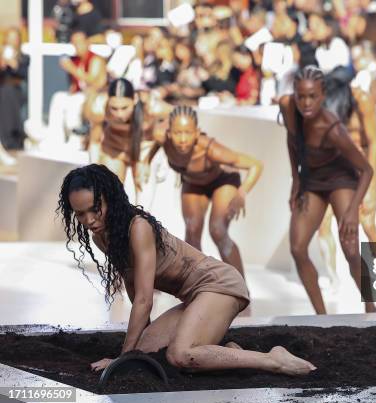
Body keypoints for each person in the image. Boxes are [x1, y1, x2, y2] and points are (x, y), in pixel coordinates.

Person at [57, 164, 315, 375]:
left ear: (110, 198)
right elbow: (134, 289)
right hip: (195, 298)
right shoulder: (102, 238)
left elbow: (146, 300)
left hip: (219, 284)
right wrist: (136, 350)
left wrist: (120, 360)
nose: (90, 220)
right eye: (80, 214)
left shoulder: (138, 228)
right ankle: (229, 350)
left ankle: (272, 359)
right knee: (147, 353)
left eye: (95, 208)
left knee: (180, 355)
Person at [279, 65, 375, 314]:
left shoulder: (332, 128)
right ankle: (321, 316)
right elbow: (292, 139)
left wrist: (353, 210)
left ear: (323, 96)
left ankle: (371, 306)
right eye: (301, 96)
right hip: (312, 179)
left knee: (351, 249)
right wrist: (295, 179)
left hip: (341, 178)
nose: (306, 103)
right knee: (298, 248)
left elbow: (366, 170)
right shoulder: (287, 105)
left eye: (313, 96)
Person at [149, 105, 263, 278]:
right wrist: (144, 162)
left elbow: (255, 164)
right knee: (192, 229)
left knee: (218, 230)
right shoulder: (160, 136)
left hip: (223, 180)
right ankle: (199, 286)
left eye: (188, 132)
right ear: (169, 133)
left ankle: (241, 291)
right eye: (177, 133)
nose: (182, 139)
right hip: (193, 183)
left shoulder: (212, 150)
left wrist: (242, 193)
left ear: (197, 133)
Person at [317, 66, 376, 290]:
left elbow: (374, 142)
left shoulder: (362, 101)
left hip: (364, 165)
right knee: (323, 223)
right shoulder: (326, 103)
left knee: (367, 224)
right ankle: (333, 278)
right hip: (336, 165)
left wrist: (371, 178)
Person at [86, 78, 172, 206]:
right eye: (114, 108)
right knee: (109, 198)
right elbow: (94, 141)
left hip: (144, 149)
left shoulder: (152, 106)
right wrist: (92, 170)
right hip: (114, 148)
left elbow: (177, 118)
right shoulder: (99, 106)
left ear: (135, 99)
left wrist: (156, 158)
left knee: (143, 207)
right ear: (108, 101)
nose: (119, 114)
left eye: (124, 107)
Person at [0, 27, 29, 151]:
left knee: (7, 93)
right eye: (9, 38)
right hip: (3, 88)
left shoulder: (23, 57)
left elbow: (22, 74)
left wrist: (13, 64)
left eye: (14, 39)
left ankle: (11, 138)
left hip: (15, 89)